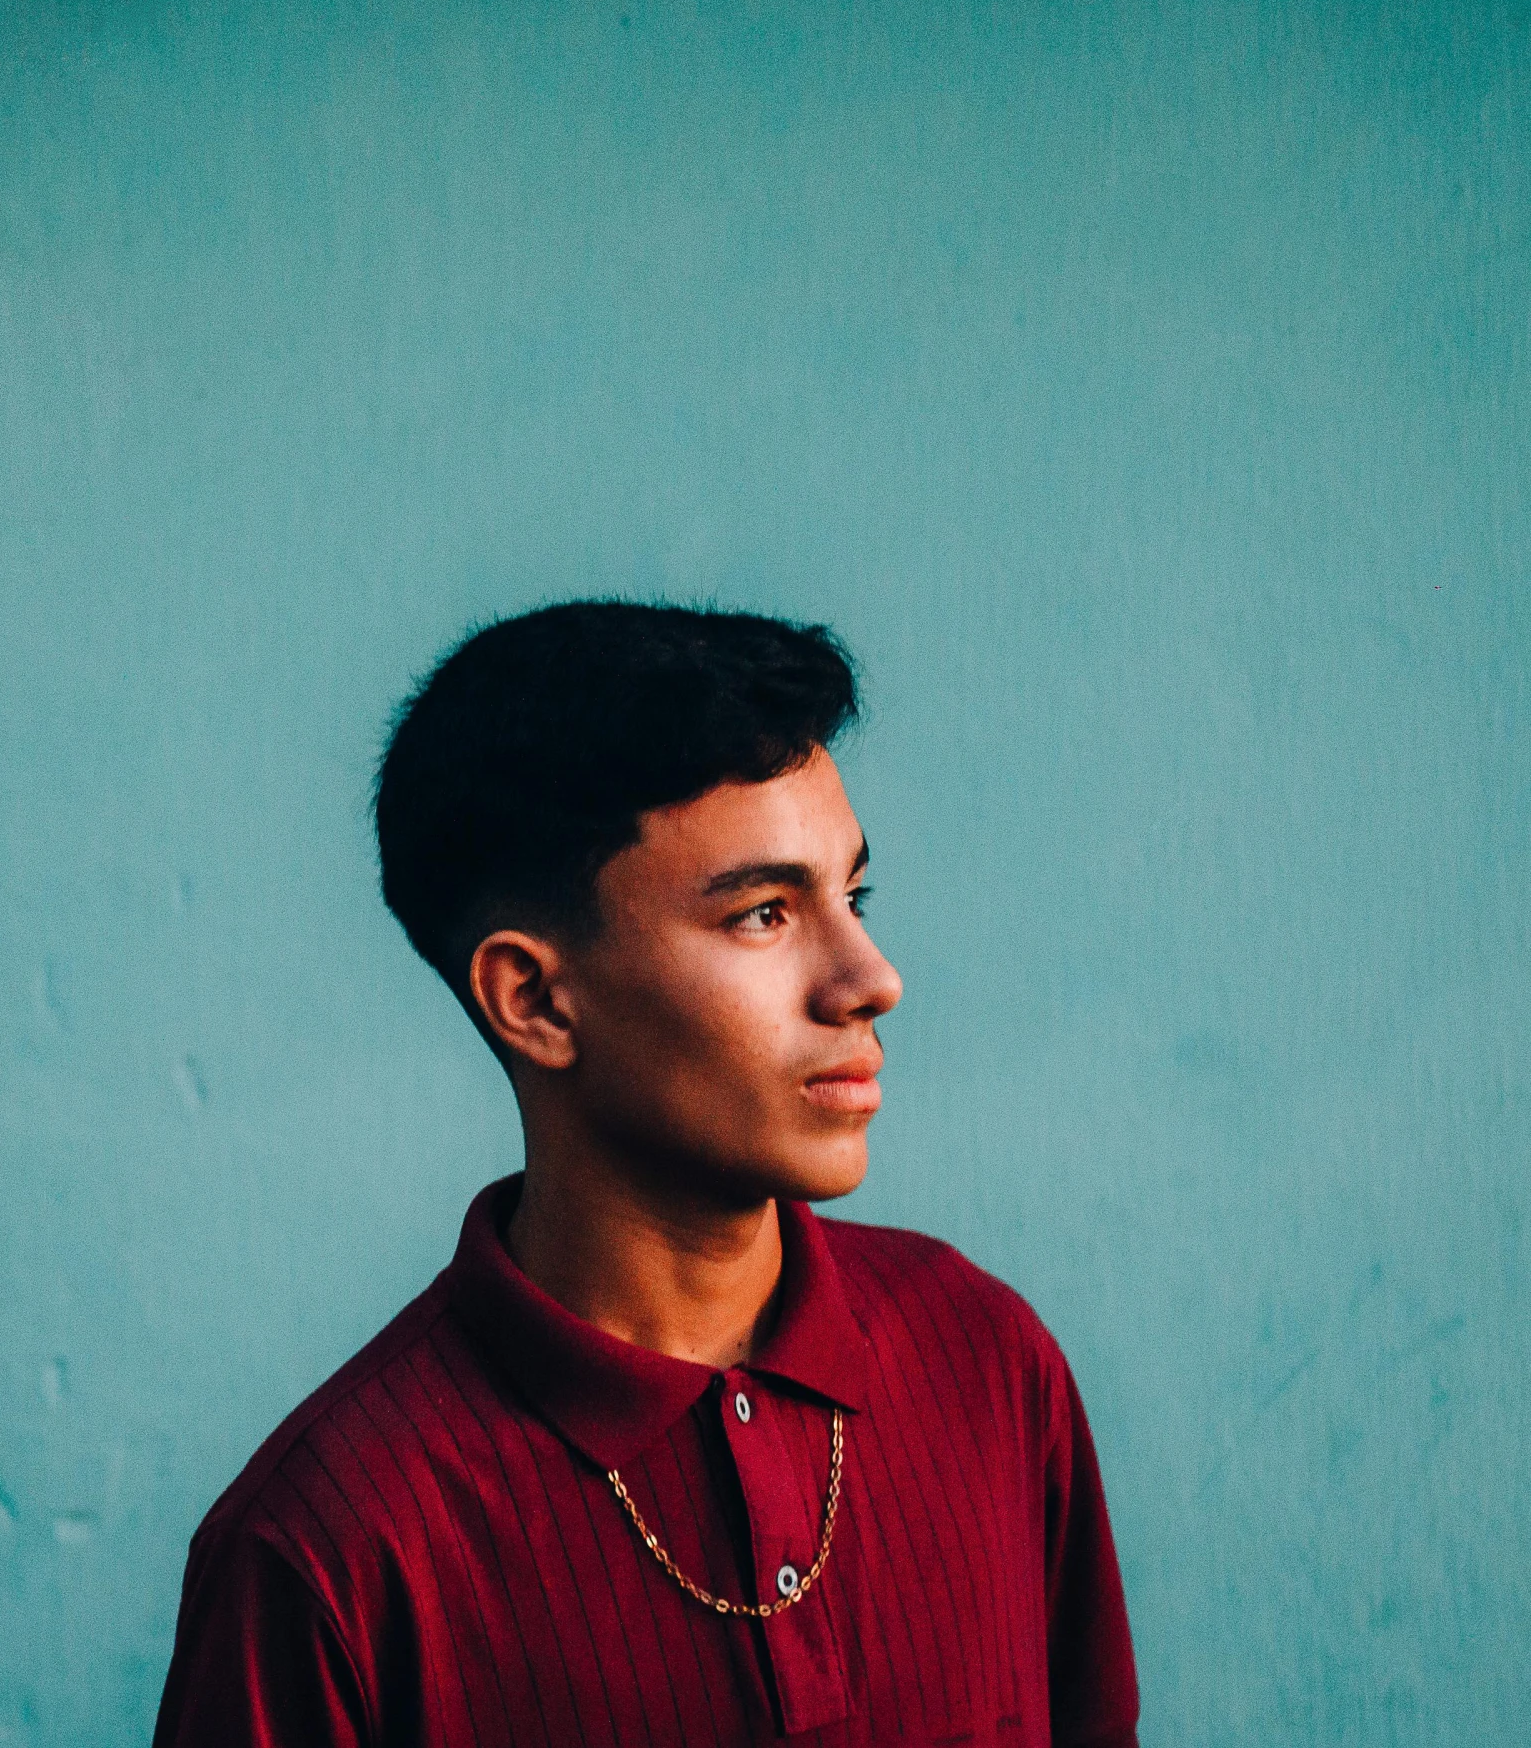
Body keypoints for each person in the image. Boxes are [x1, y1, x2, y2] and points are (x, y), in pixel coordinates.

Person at [152, 600, 1139, 1748]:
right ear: (534, 1000)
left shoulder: (984, 1357)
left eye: (852, 897)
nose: (870, 978)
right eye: (765, 913)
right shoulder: (331, 1550)